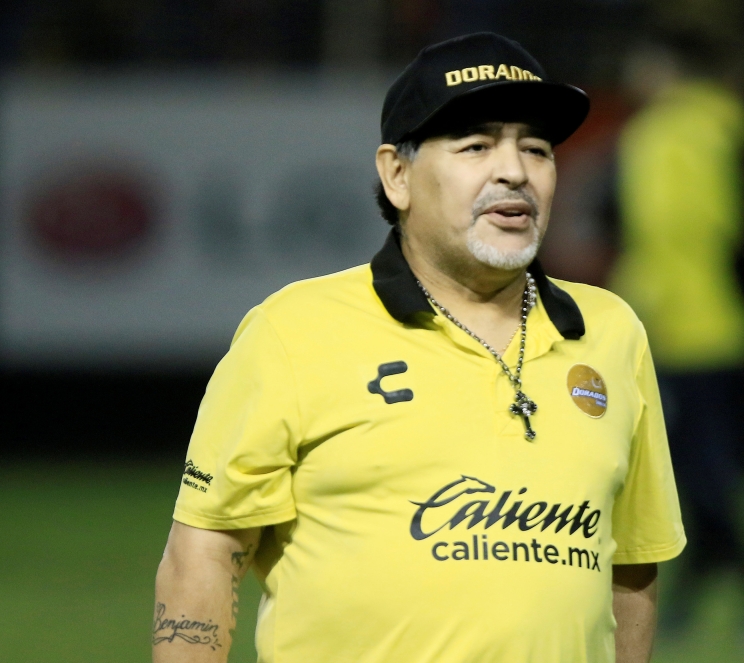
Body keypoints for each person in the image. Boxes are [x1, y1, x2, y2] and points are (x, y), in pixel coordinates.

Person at [153, 32, 685, 663]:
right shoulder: (294, 330)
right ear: (397, 175)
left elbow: (632, 563)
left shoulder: (612, 332)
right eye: (476, 145)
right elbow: (205, 551)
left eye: (536, 149)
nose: (515, 171)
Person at [609, 29, 744, 645]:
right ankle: (694, 601)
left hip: (681, 327)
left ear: (667, 68)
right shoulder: (727, 127)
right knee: (696, 468)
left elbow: (668, 229)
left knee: (698, 471)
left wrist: (639, 312)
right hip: (730, 321)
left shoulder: (661, 133)